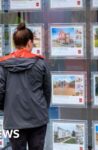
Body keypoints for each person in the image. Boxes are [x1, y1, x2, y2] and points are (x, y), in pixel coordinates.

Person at [0, 22, 51, 150]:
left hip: (12, 121)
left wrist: (7, 109)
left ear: (15, 43)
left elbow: (0, 92)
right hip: (38, 119)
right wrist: (43, 109)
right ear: (29, 42)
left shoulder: (2, 65)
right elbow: (47, 92)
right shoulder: (41, 63)